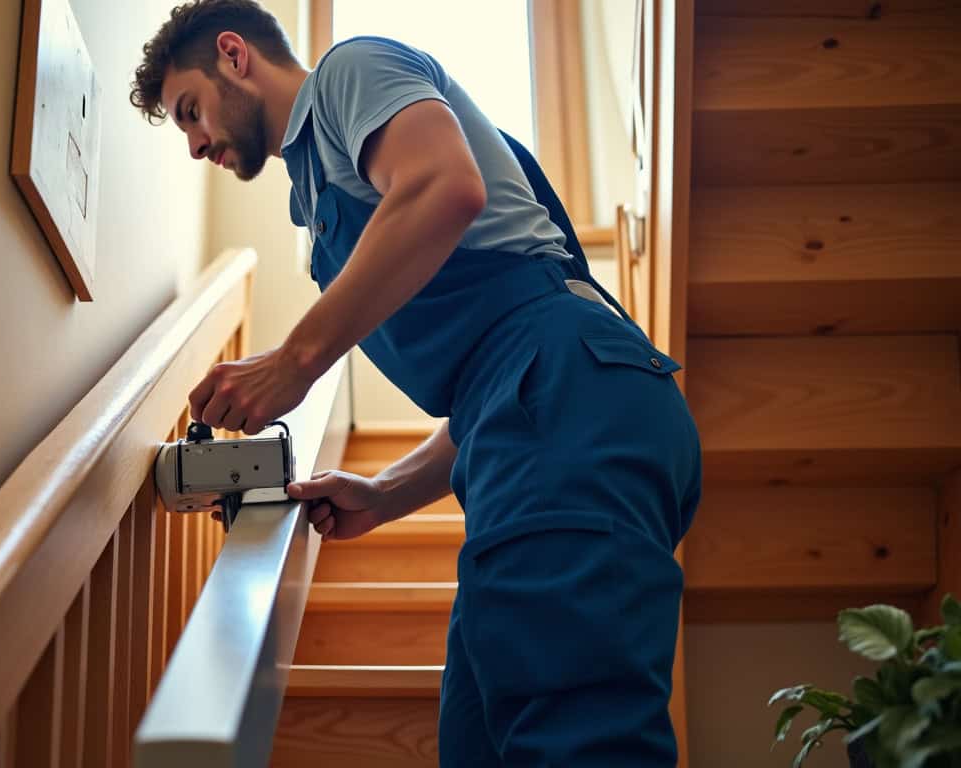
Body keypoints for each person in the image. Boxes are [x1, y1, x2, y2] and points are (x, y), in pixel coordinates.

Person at [131, 2, 702, 764]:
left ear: (234, 55)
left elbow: (443, 186)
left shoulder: (350, 73)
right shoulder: (326, 209)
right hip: (533, 412)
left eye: (190, 111)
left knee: (573, 734)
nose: (198, 143)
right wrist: (387, 491)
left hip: (573, 393)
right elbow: (489, 387)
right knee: (480, 740)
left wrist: (294, 360)